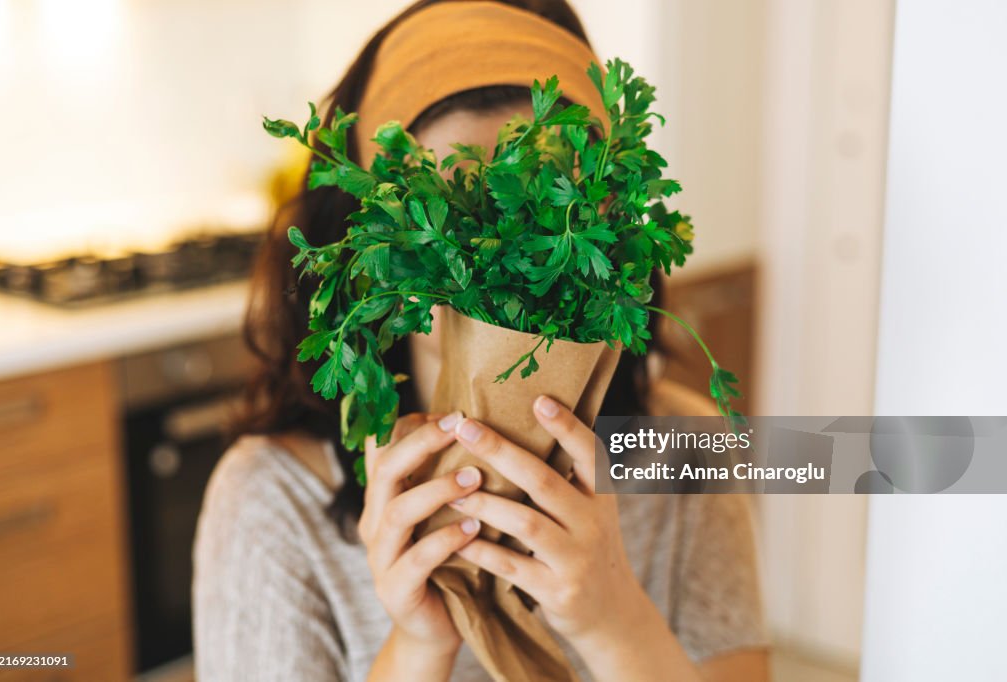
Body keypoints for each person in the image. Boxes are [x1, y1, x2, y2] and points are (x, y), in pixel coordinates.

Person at [192, 1, 769, 680]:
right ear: (361, 249)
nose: (496, 284)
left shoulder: (687, 459)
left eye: (547, 219)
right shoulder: (269, 499)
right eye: (440, 222)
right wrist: (418, 646)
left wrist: (611, 620)